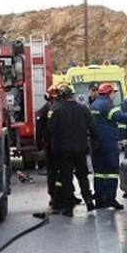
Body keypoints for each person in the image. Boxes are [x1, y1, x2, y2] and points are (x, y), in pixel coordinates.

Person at [90, 83, 127, 210]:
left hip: (95, 142)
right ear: (109, 93)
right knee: (112, 170)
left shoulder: (94, 104)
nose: (114, 96)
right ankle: (110, 199)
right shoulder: (107, 105)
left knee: (99, 172)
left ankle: (100, 199)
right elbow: (120, 117)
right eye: (113, 93)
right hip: (108, 142)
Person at [47, 84, 97, 216]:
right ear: (73, 95)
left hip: (63, 151)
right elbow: (93, 127)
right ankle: (89, 201)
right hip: (81, 149)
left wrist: (51, 147)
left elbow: (50, 130)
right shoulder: (83, 109)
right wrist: (94, 141)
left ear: (61, 97)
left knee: (67, 178)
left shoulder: (57, 111)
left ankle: (68, 208)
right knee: (82, 176)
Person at [36, 85, 59, 209]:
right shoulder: (44, 112)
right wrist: (40, 146)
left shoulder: (49, 110)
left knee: (61, 172)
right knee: (53, 172)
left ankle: (63, 195)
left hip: (55, 145)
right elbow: (39, 131)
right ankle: (53, 196)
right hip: (51, 146)